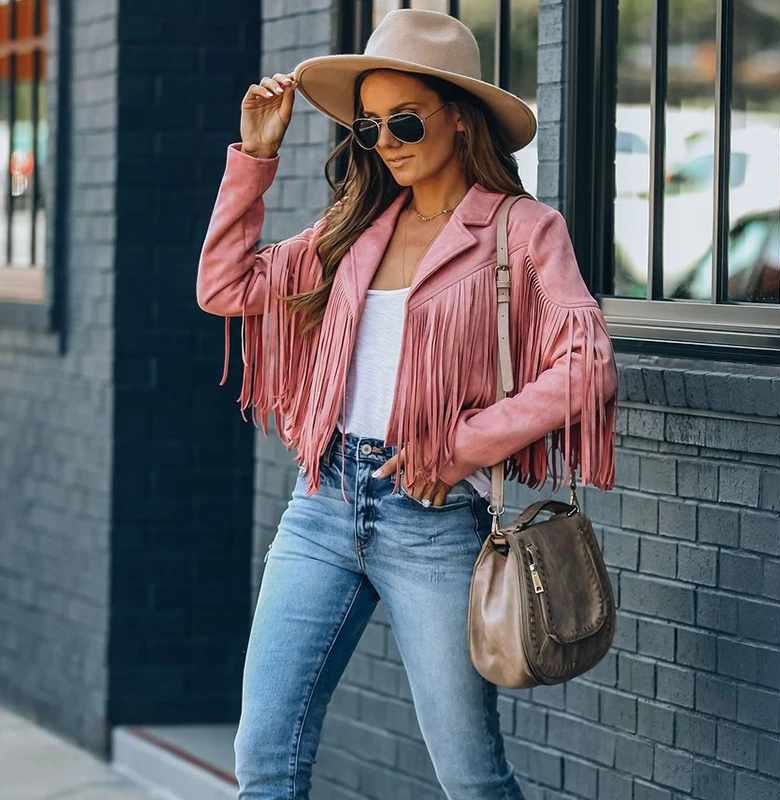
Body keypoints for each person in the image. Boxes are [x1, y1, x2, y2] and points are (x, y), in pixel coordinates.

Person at [196, 9, 617, 800]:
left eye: (404, 120)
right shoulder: (351, 230)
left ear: (458, 119)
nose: (385, 141)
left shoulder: (521, 232)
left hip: (432, 520)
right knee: (263, 758)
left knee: (470, 776)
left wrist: (462, 447)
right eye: (367, 128)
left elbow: (585, 364)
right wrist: (255, 156)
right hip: (321, 504)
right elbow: (223, 287)